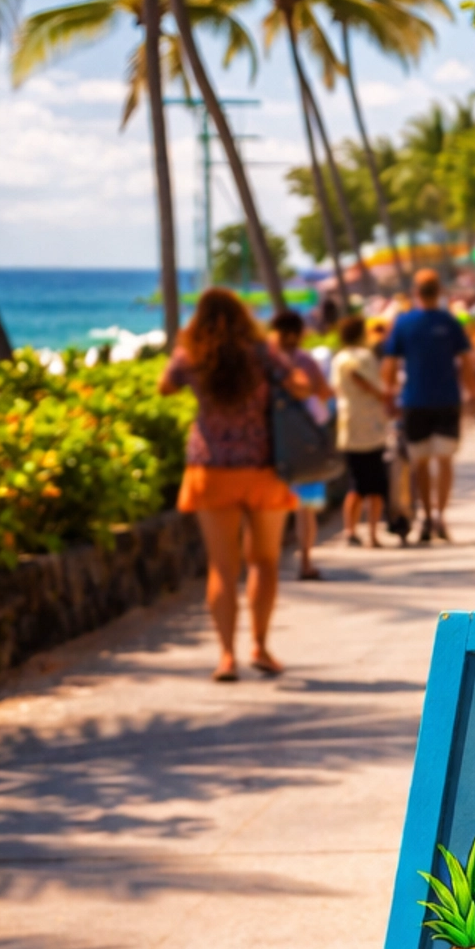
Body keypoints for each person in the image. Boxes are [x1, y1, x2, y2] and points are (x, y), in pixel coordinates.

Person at [161, 287, 325, 680]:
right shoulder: (262, 353)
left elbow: (164, 387)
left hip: (211, 470)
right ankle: (261, 646)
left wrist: (187, 342)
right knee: (264, 562)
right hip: (265, 469)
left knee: (221, 567)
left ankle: (226, 656)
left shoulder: (193, 355)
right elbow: (302, 385)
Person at [381, 269, 470, 544]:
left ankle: (430, 516)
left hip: (416, 400)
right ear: (439, 291)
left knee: (421, 462)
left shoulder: (404, 323)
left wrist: (390, 395)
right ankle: (437, 517)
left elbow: (389, 365)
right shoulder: (449, 321)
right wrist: (472, 396)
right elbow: (467, 361)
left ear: (415, 293)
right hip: (444, 399)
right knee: (443, 460)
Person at [269, 308, 334, 581]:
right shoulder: (305, 361)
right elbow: (323, 392)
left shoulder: (266, 361)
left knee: (272, 509)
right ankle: (306, 561)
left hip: (271, 439)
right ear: (298, 333)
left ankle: (267, 566)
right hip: (303, 440)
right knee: (305, 508)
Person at [332, 311, 391, 547]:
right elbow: (375, 387)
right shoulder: (365, 356)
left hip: (348, 425)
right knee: (375, 484)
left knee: (356, 483)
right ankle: (374, 534)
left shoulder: (338, 358)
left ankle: (350, 530)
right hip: (371, 427)